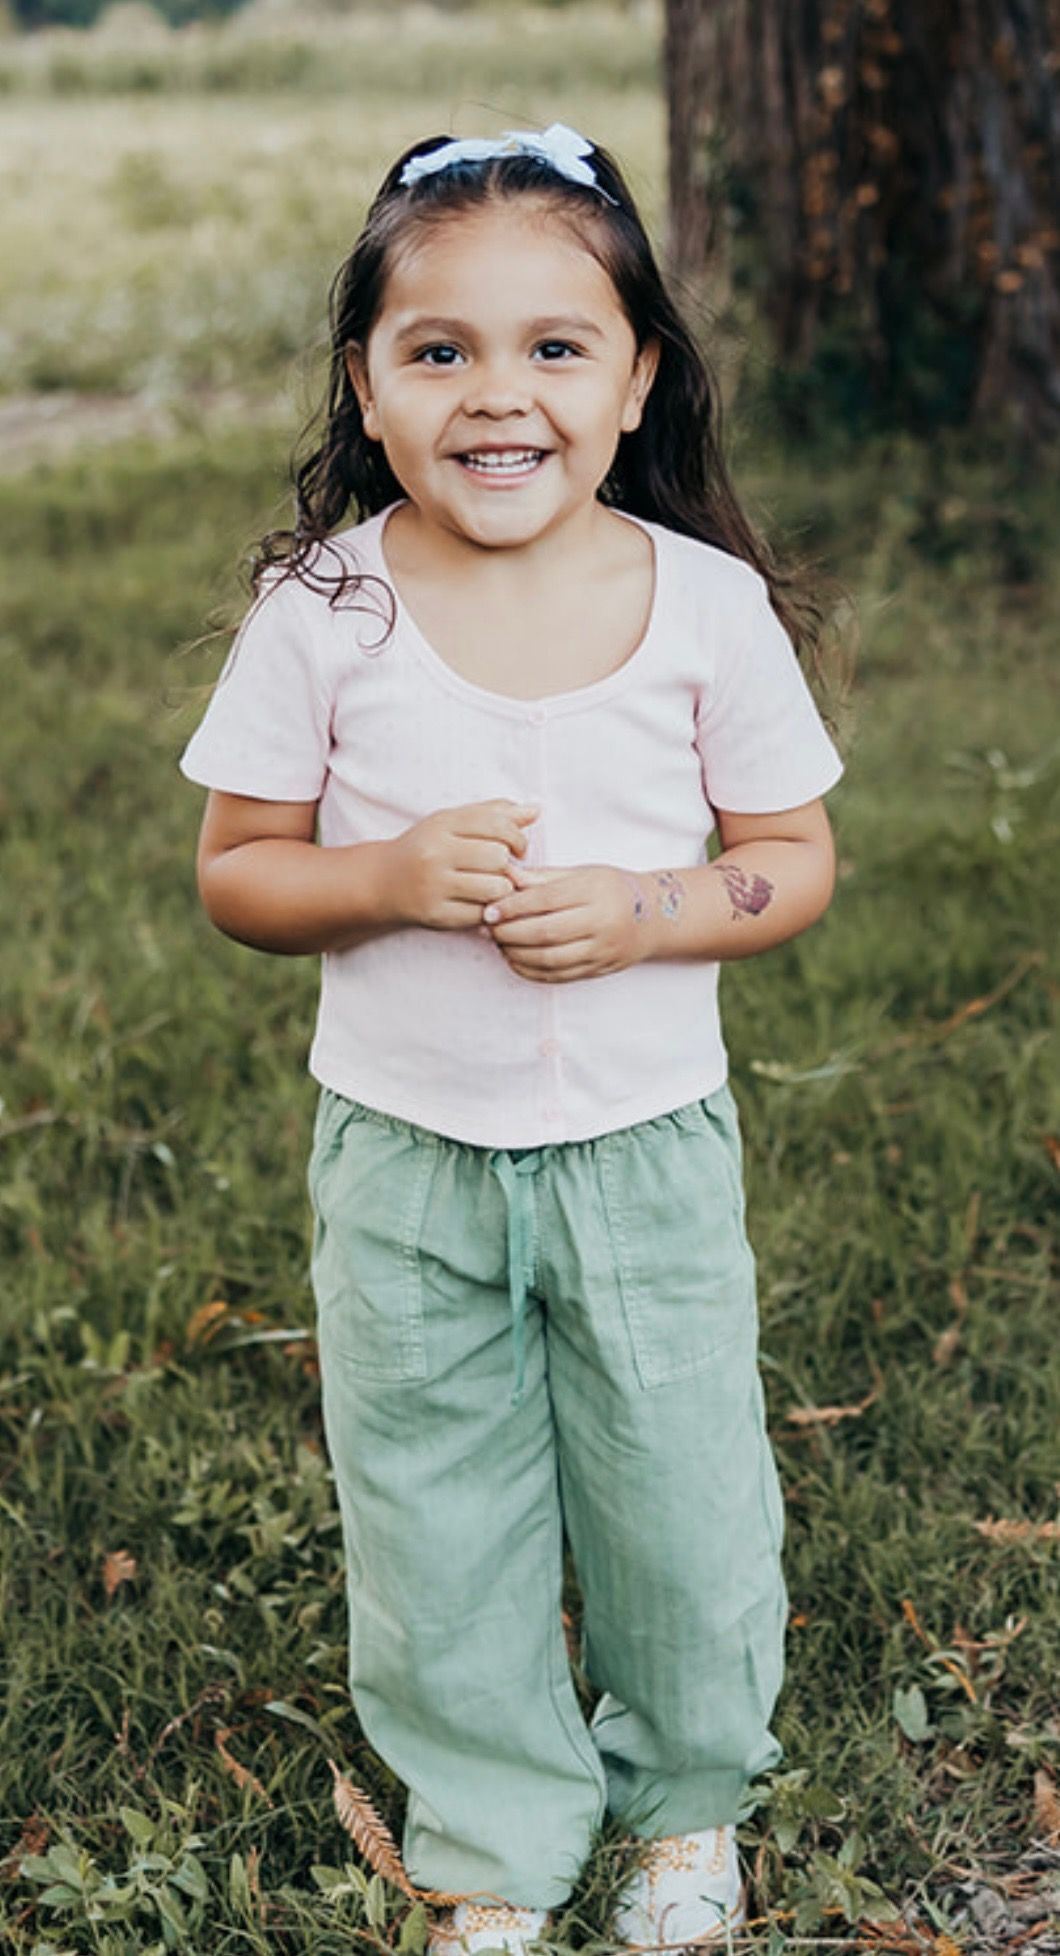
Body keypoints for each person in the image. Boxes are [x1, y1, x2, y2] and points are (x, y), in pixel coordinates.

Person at [179, 120, 847, 1955]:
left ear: (636, 379)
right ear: (368, 385)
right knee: (432, 1499)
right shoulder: (327, 609)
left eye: (557, 347)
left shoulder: (701, 609)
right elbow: (240, 872)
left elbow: (790, 865)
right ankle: (489, 1827)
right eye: (439, 349)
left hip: (643, 1141)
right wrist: (384, 875)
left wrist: (650, 910)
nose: (501, 395)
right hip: (400, 1148)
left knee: (679, 1488)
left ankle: (686, 1800)